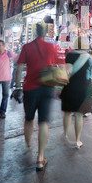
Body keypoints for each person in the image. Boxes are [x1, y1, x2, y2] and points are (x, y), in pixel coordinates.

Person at [14, 23, 59, 171]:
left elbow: (20, 67)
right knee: (43, 122)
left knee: (29, 118)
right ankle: (40, 158)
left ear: (34, 32)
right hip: (47, 88)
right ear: (45, 33)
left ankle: (28, 146)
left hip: (30, 88)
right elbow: (56, 66)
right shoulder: (51, 47)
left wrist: (17, 86)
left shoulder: (27, 47)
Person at [60, 37, 92, 149]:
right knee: (79, 115)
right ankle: (77, 140)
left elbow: (66, 72)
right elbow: (91, 78)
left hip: (69, 87)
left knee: (67, 113)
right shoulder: (90, 59)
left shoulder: (69, 56)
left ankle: (65, 135)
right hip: (82, 89)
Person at [0, 40, 13, 119]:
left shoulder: (9, 53)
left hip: (6, 78)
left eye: (0, 45)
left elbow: (15, 59)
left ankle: (2, 111)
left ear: (4, 46)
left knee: (5, 95)